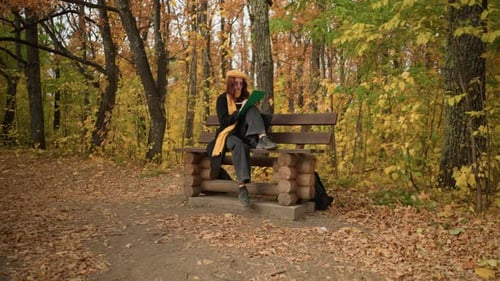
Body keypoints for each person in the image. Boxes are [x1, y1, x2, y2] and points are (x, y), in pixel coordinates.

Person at [206, 70, 277, 205]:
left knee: (251, 109)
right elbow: (224, 121)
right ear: (230, 84)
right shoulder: (222, 99)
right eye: (236, 83)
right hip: (228, 135)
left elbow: (251, 119)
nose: (239, 86)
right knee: (239, 145)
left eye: (241, 83)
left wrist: (253, 107)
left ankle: (262, 137)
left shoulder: (246, 97)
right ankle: (242, 187)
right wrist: (239, 112)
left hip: (246, 134)